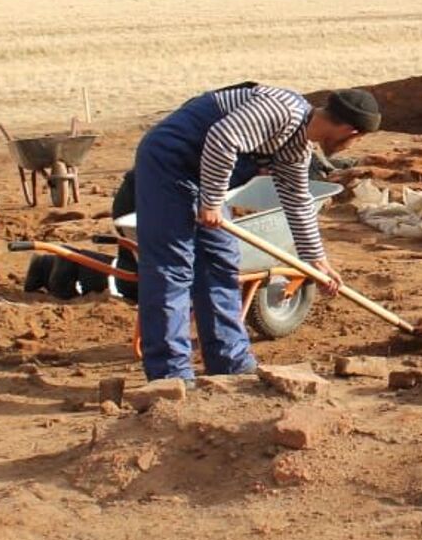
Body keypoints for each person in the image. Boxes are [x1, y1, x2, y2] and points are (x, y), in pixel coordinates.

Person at [135, 84, 380, 384]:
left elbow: (296, 198)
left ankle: (230, 362)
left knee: (221, 263)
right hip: (170, 164)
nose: (350, 147)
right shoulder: (283, 110)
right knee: (173, 268)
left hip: (206, 176)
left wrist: (316, 259)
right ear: (351, 132)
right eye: (357, 140)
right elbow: (222, 139)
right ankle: (170, 375)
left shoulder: (297, 146)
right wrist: (211, 201)